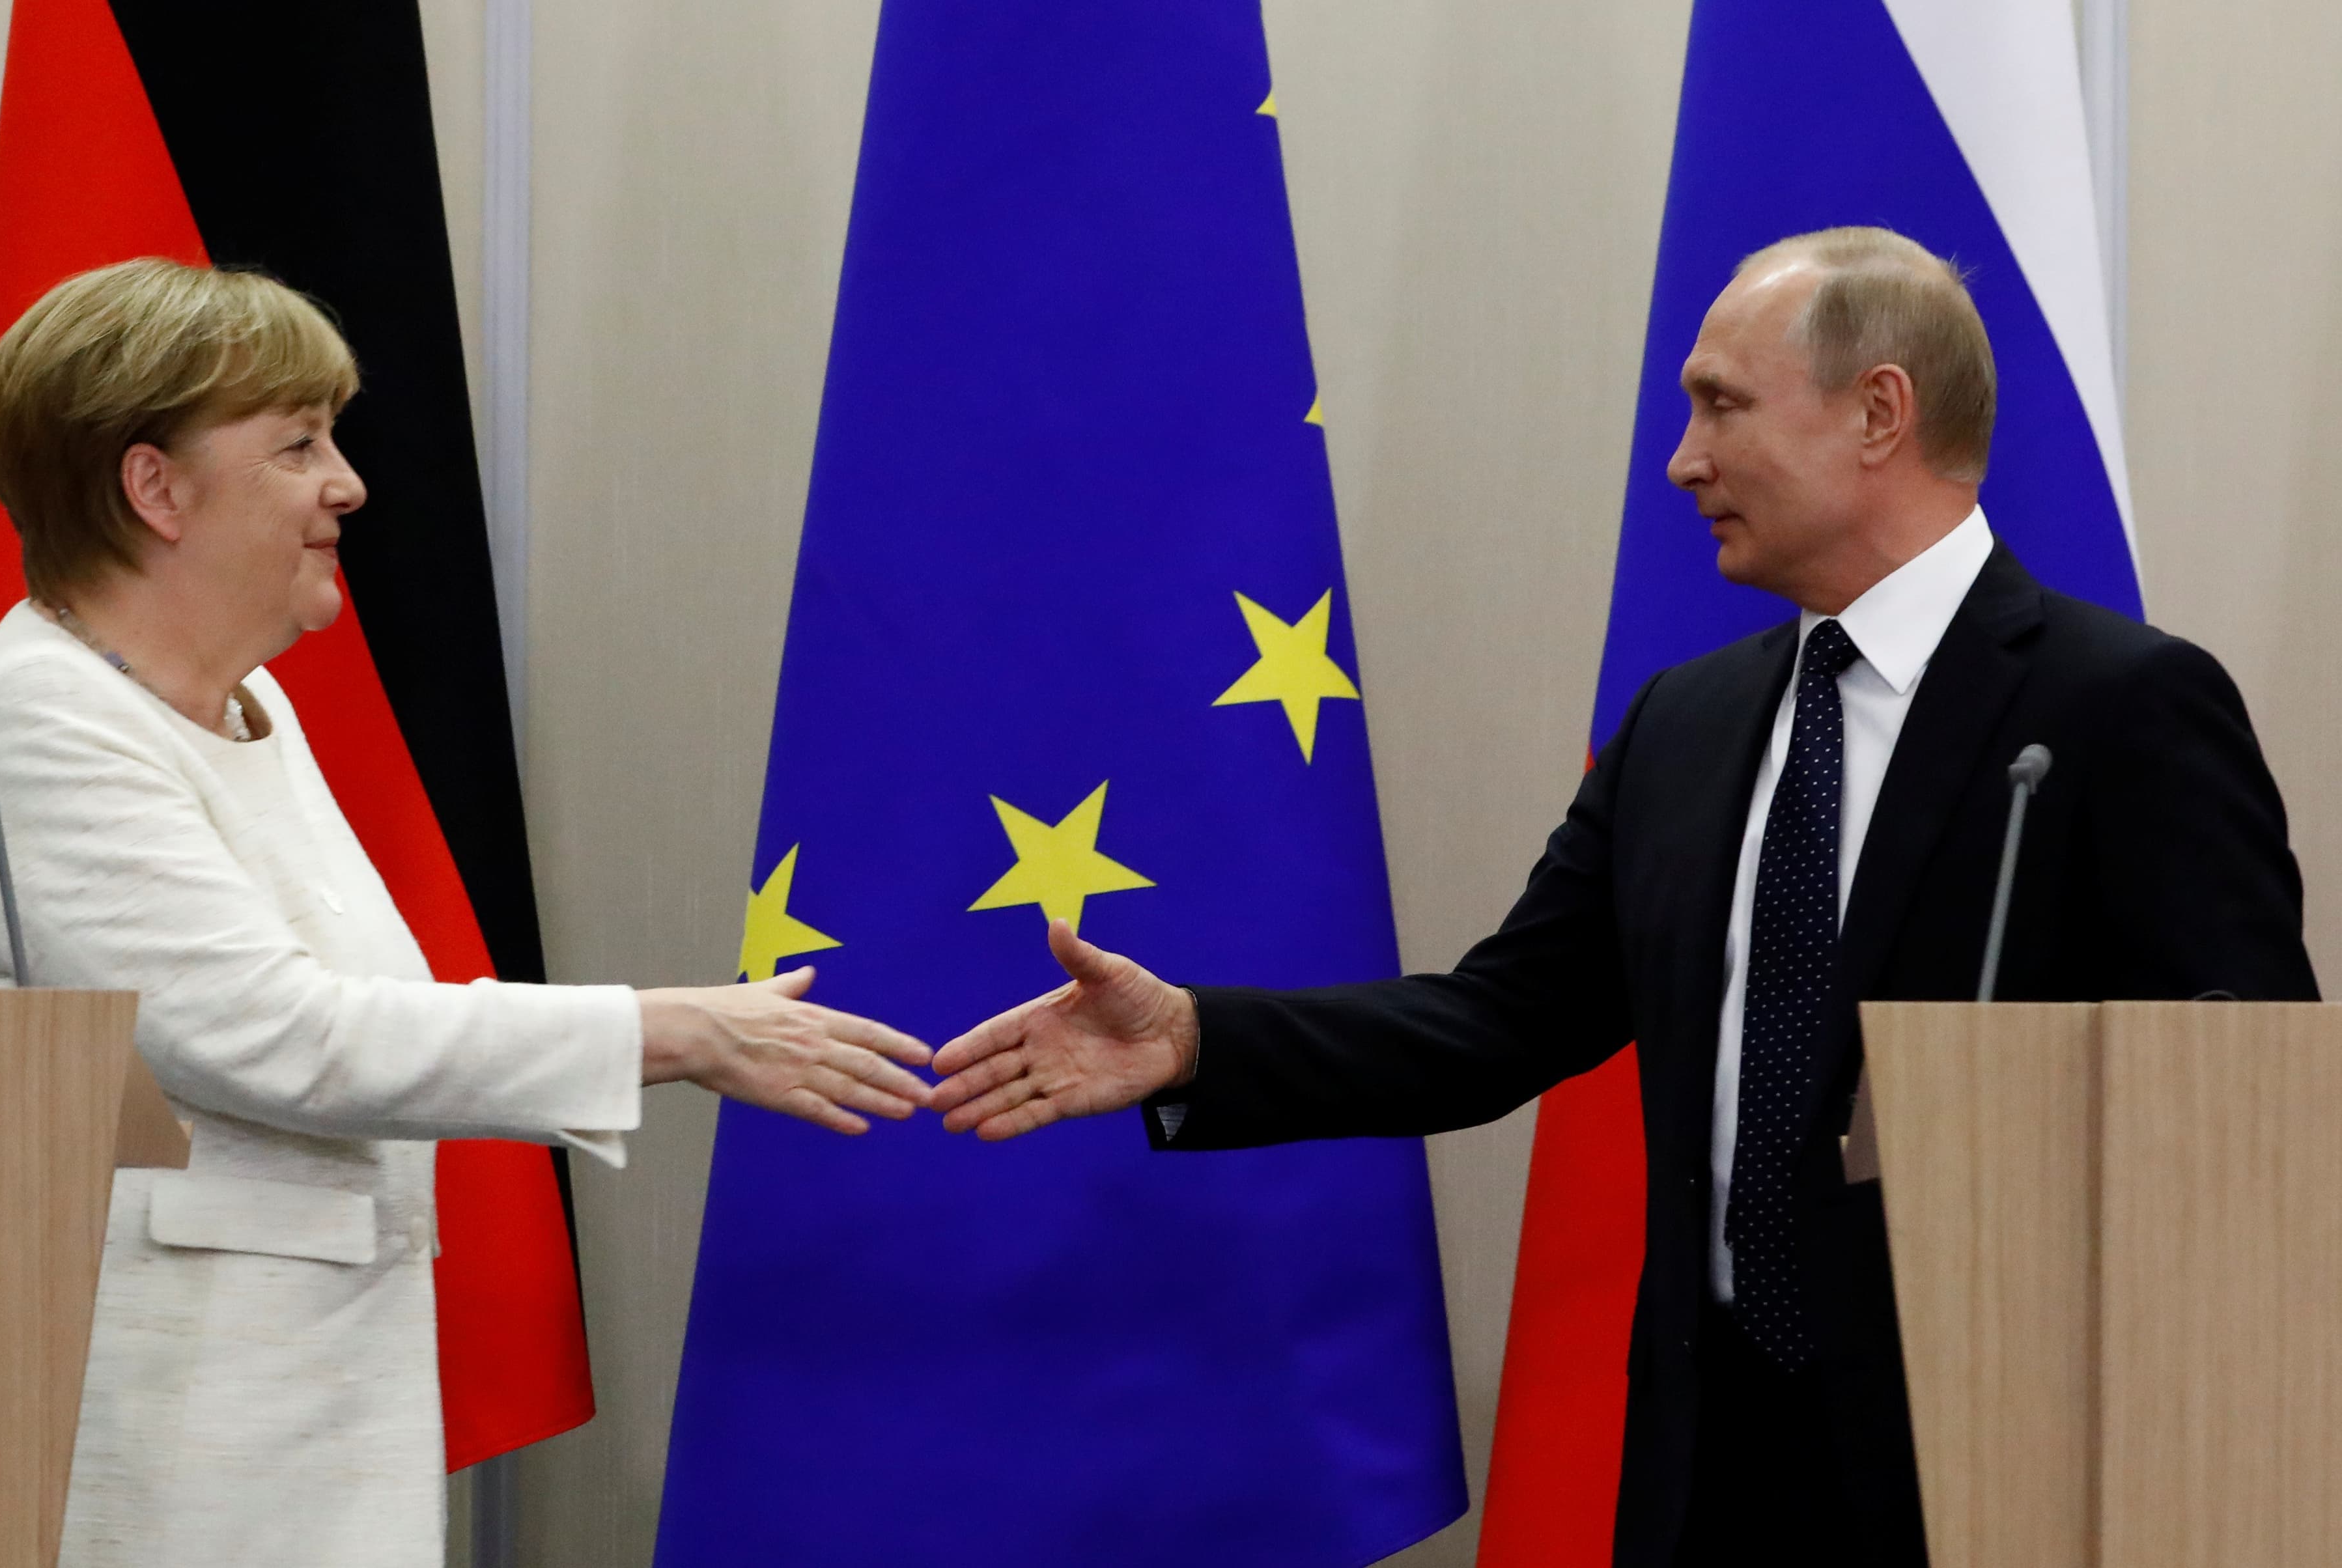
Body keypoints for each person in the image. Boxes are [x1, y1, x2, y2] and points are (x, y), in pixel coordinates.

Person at [929, 226, 2319, 1567]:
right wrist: (1195, 1042)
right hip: (1712, 1467)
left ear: (1879, 413)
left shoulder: (2115, 706)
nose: (1682, 461)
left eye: (1720, 407)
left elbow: (2242, 1121)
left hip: (2000, 1467)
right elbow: (1498, 1022)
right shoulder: (1688, 725)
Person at [0, 258, 933, 1567]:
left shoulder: (247, 707)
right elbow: (279, 1037)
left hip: (291, 1413)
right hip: (131, 1439)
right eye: (299, 445)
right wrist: (666, 1034)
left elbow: (369, 1016)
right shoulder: (44, 722)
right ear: (153, 488)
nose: (349, 484)